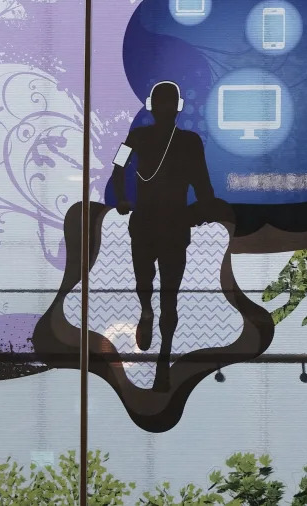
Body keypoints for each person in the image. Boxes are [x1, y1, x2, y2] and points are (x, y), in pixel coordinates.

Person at [111, 80, 218, 393]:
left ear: (151, 106)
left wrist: (122, 198)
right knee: (163, 292)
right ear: (177, 107)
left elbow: (118, 167)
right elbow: (203, 183)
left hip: (153, 223)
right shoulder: (183, 140)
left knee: (154, 287)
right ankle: (159, 351)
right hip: (170, 225)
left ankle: (159, 347)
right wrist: (207, 208)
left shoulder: (140, 137)